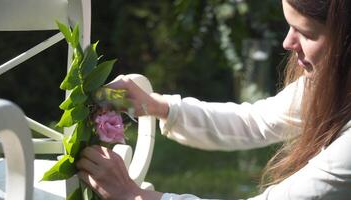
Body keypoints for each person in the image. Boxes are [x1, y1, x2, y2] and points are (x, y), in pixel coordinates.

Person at [76, 0, 351, 199]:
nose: (288, 43)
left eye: (307, 33)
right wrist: (157, 106)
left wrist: (130, 195)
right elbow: (255, 121)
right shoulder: (332, 84)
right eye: (289, 26)